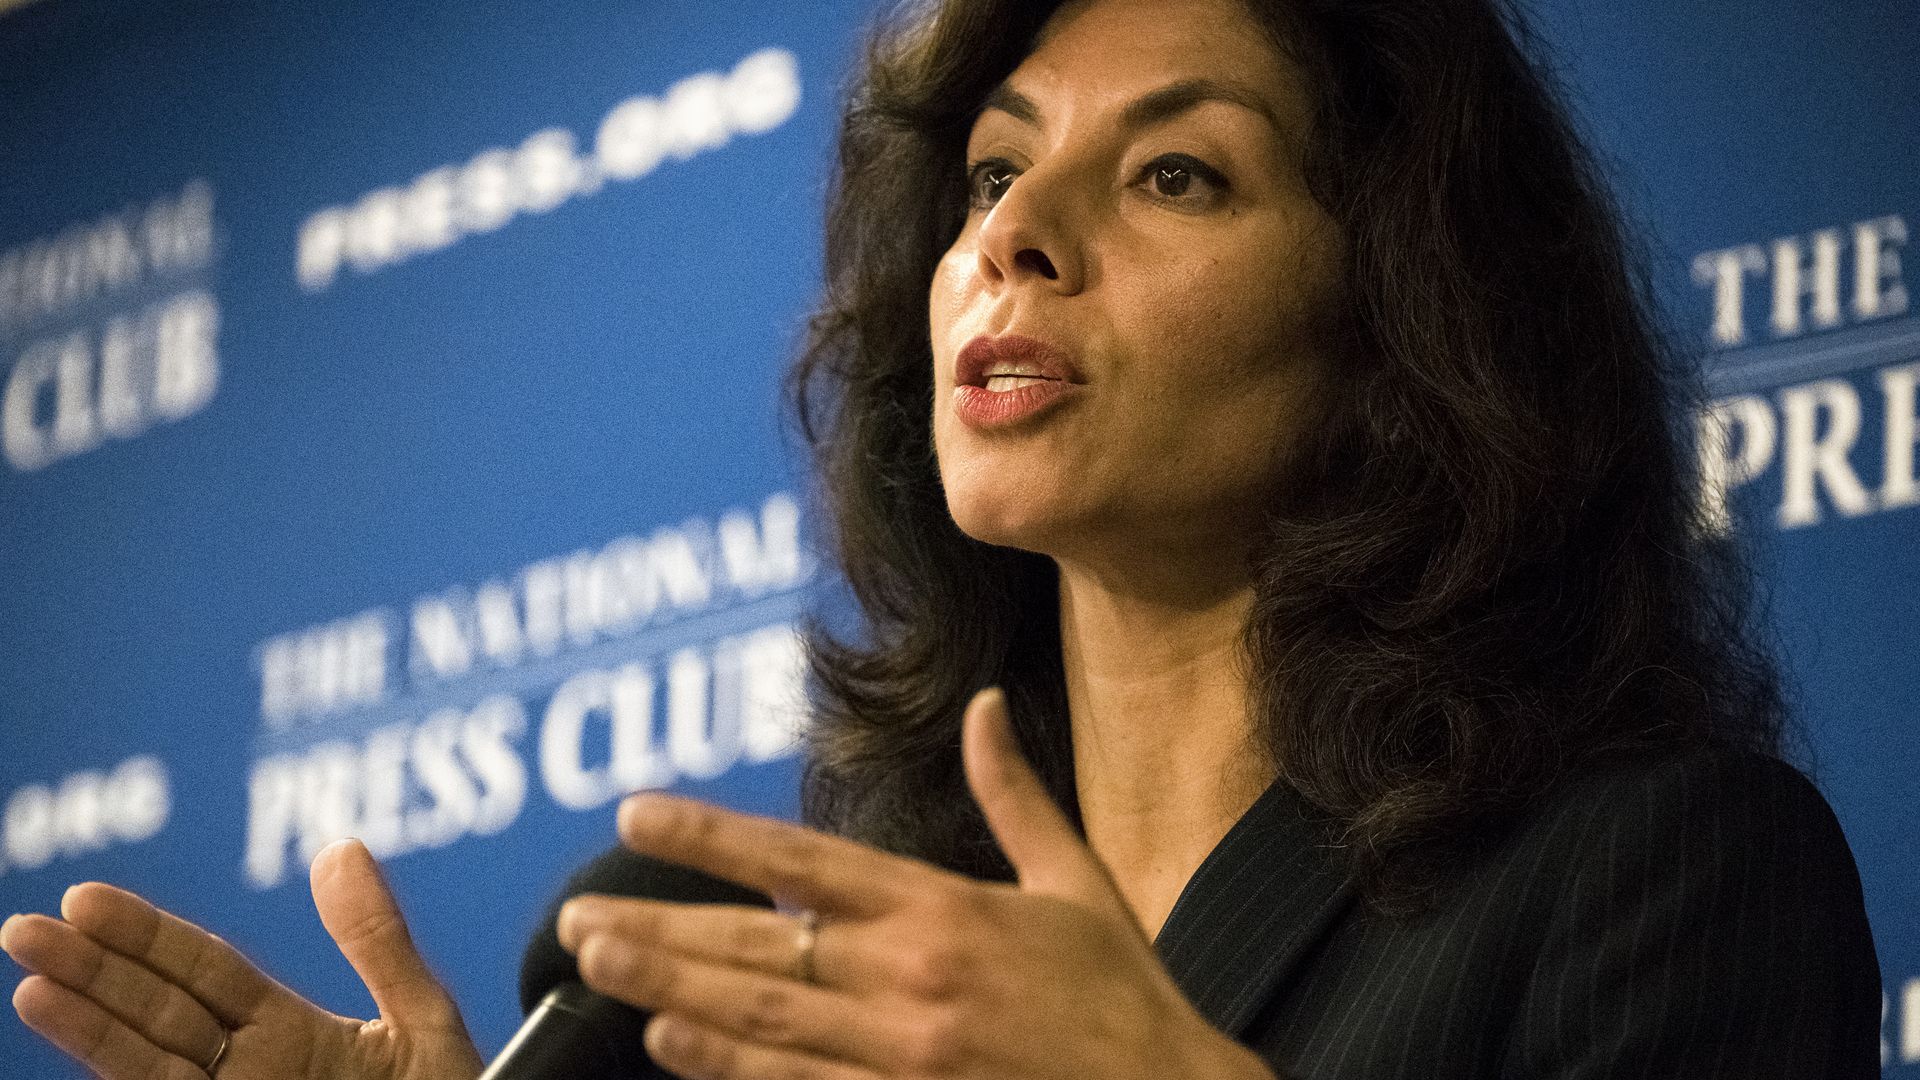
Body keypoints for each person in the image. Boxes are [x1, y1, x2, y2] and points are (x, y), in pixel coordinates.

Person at [2, 0, 1883, 1077]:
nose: (1013, 237)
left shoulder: (1657, 875)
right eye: (992, 172)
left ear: (1400, 320)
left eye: (1174, 173)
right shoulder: (771, 966)